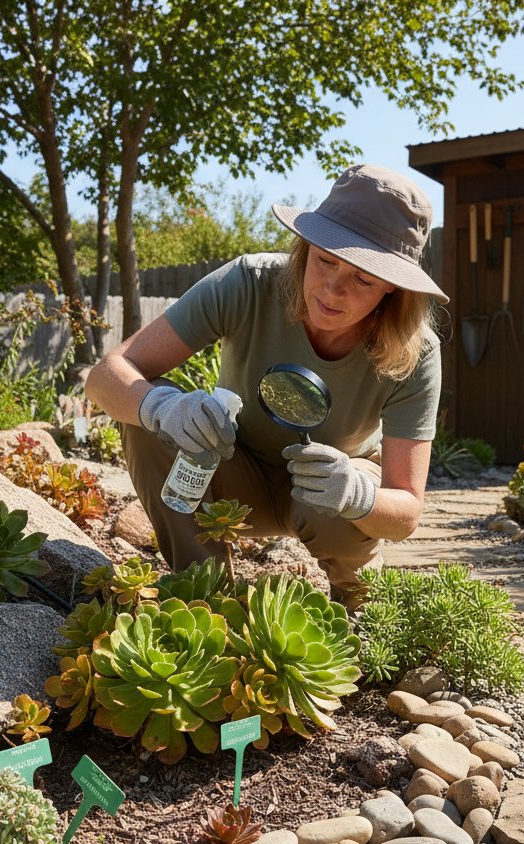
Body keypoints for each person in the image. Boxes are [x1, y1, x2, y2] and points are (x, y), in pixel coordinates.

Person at [85, 164, 447, 607]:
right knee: (148, 418)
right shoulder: (249, 284)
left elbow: (407, 511)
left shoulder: (417, 352)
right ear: (305, 246)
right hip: (231, 472)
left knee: (339, 499)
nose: (333, 290)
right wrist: (162, 408)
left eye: (362, 278)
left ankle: (358, 604)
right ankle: (205, 598)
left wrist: (355, 494)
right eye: (326, 260)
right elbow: (107, 374)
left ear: (392, 287)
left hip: (329, 491)